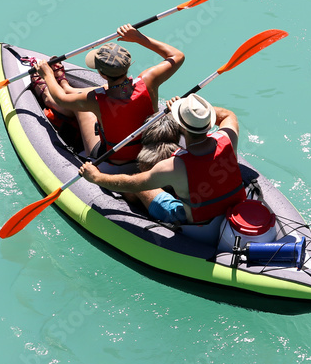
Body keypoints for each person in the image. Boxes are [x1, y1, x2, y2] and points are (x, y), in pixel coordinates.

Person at [79, 94, 245, 224]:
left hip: (199, 226)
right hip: (234, 210)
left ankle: (138, 209)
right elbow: (228, 115)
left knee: (139, 186)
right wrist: (194, 111)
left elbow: (134, 183)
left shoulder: (175, 165)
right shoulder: (228, 138)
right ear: (209, 122)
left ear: (180, 126)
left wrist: (96, 177)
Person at [34, 24, 184, 165]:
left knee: (80, 107)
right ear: (128, 65)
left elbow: (61, 99)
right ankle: (65, 85)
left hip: (113, 160)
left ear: (101, 74)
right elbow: (177, 56)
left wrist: (47, 74)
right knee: (105, 91)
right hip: (148, 151)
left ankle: (47, 95)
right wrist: (138, 38)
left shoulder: (96, 99)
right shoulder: (149, 80)